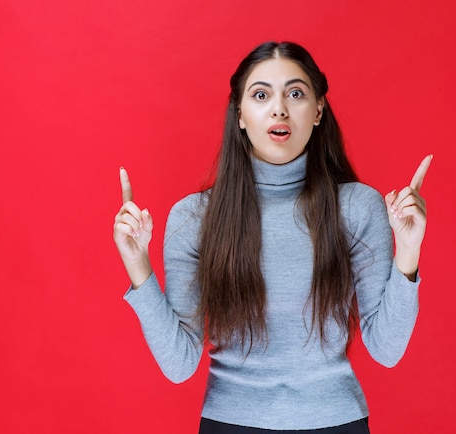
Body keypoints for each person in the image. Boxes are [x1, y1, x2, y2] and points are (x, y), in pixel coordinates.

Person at [113, 41, 432, 433]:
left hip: (337, 422)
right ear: (241, 115)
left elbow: (386, 350)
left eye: (295, 93)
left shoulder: (358, 207)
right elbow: (179, 366)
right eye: (260, 95)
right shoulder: (193, 218)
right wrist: (137, 265)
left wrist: (409, 250)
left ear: (318, 111)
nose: (279, 108)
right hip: (230, 422)